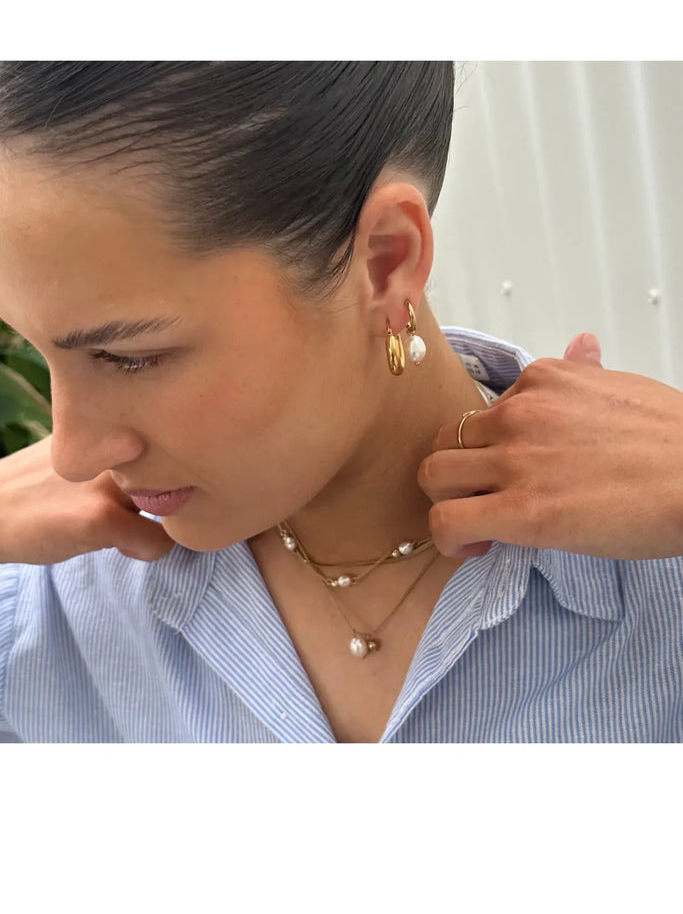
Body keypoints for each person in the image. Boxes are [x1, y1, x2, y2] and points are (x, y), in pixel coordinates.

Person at [0, 61, 680, 743]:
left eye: (131, 357)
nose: (71, 455)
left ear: (385, 261)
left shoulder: (658, 570)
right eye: (34, 347)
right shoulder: (44, 606)